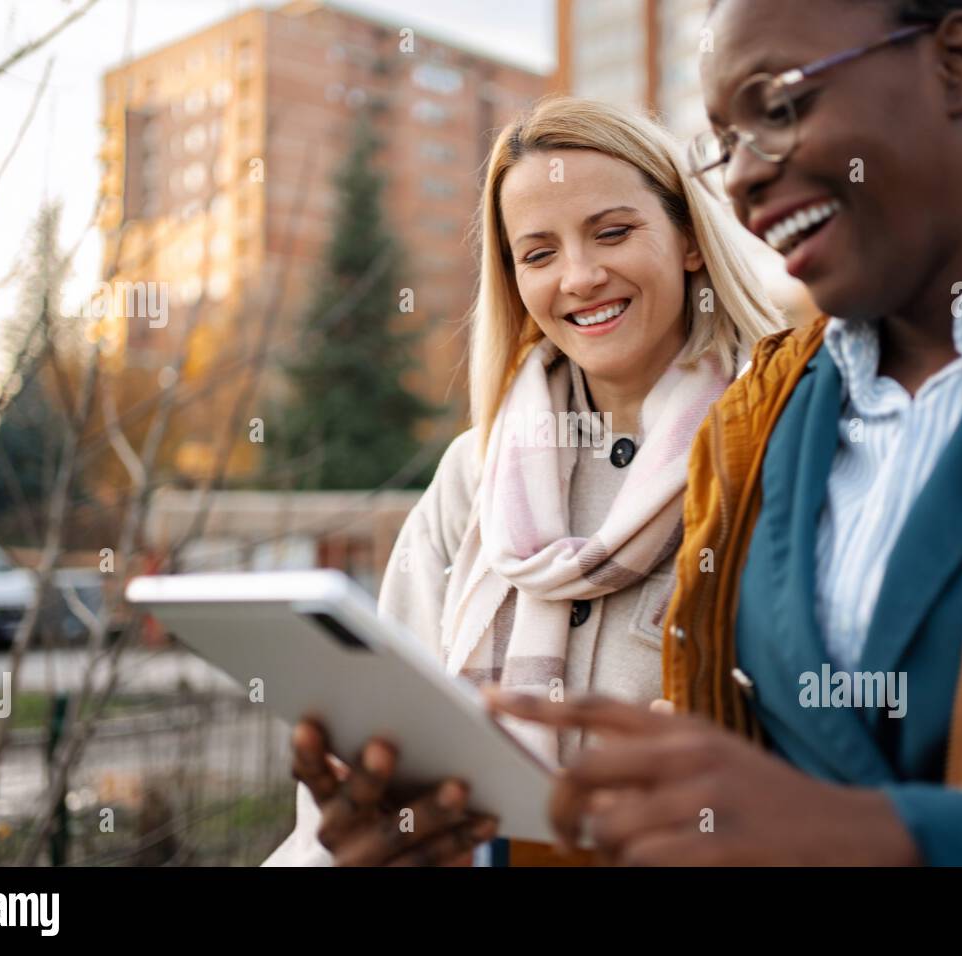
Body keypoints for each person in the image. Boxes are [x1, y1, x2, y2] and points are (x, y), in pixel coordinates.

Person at [490, 0, 962, 865]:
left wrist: (912, 842)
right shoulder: (750, 427)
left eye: (779, 108)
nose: (741, 178)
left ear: (957, 61)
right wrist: (475, 845)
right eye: (723, 144)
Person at [264, 95, 783, 866]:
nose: (579, 276)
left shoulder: (778, 444)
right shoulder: (474, 473)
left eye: (612, 232)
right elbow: (387, 730)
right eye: (538, 254)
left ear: (688, 240)